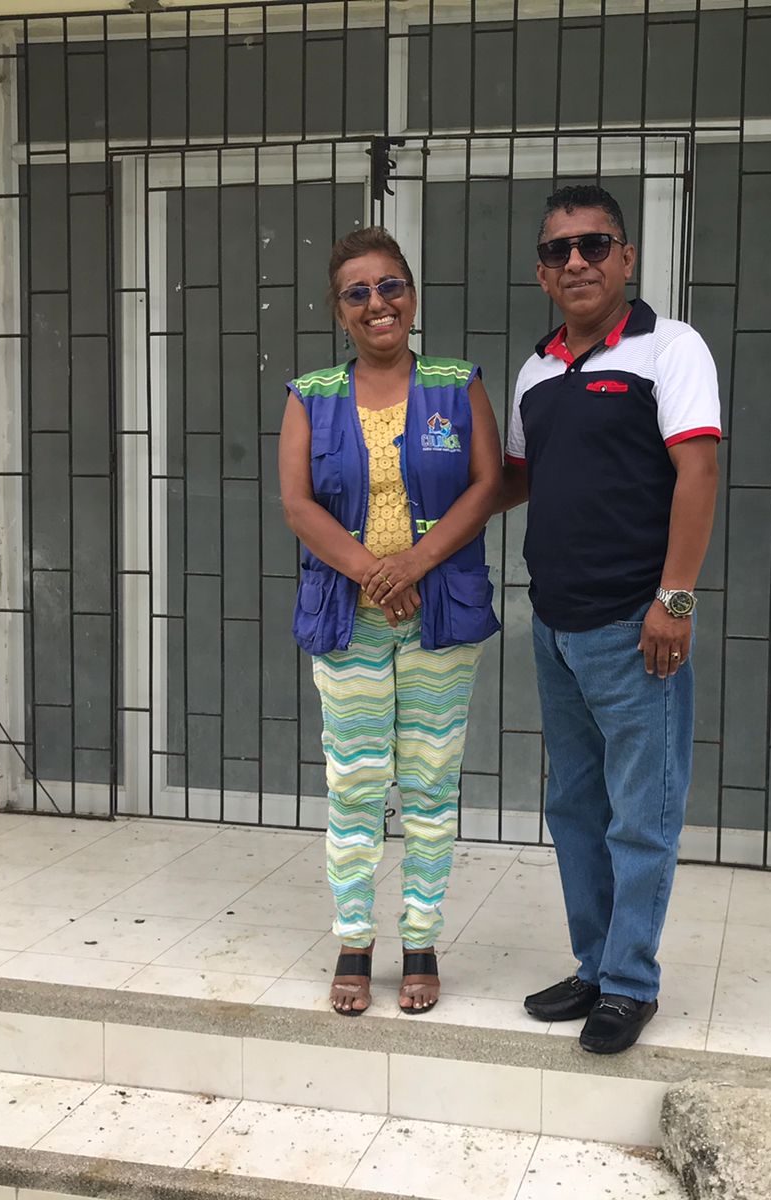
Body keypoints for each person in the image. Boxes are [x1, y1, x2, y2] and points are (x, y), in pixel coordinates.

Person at [497, 185, 721, 1054]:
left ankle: (630, 984)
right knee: (575, 809)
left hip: (637, 626)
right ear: (542, 273)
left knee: (640, 816)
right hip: (556, 626)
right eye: (559, 250)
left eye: (595, 244)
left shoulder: (671, 349)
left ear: (626, 257)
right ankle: (594, 966)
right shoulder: (536, 372)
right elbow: (519, 479)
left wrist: (676, 600)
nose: (577, 261)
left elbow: (697, 473)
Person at [279, 227, 501, 1017]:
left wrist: (413, 564)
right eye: (358, 292)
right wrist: (373, 572)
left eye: (390, 286)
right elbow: (298, 504)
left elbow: (486, 485)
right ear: (339, 309)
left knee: (431, 780)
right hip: (350, 618)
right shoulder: (311, 395)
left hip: (440, 612)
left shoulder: (456, 383)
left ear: (412, 293)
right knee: (356, 783)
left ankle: (421, 942)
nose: (378, 304)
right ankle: (352, 941)